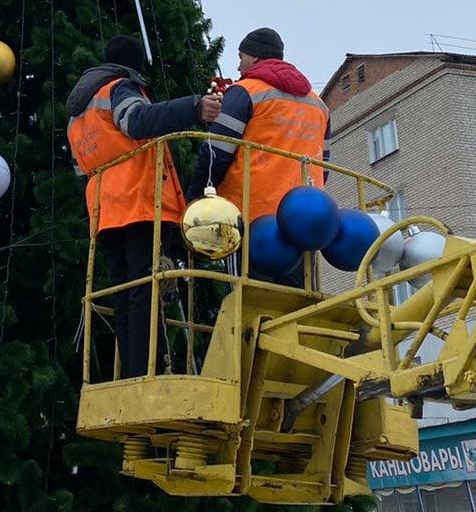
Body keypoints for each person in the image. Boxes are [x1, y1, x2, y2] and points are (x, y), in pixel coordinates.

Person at [66, 35, 221, 378]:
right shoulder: (119, 88)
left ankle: (136, 371)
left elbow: (81, 169)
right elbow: (137, 122)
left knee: (125, 294)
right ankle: (150, 369)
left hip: (105, 212)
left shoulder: (77, 114)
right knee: (145, 291)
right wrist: (193, 107)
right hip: (139, 203)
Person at [185, 28, 330, 269]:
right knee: (297, 298)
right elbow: (323, 168)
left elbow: (216, 154)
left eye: (241, 57)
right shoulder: (318, 104)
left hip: (250, 219)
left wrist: (195, 198)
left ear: (254, 57)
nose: (240, 67)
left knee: (246, 297)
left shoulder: (245, 91)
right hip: (305, 220)